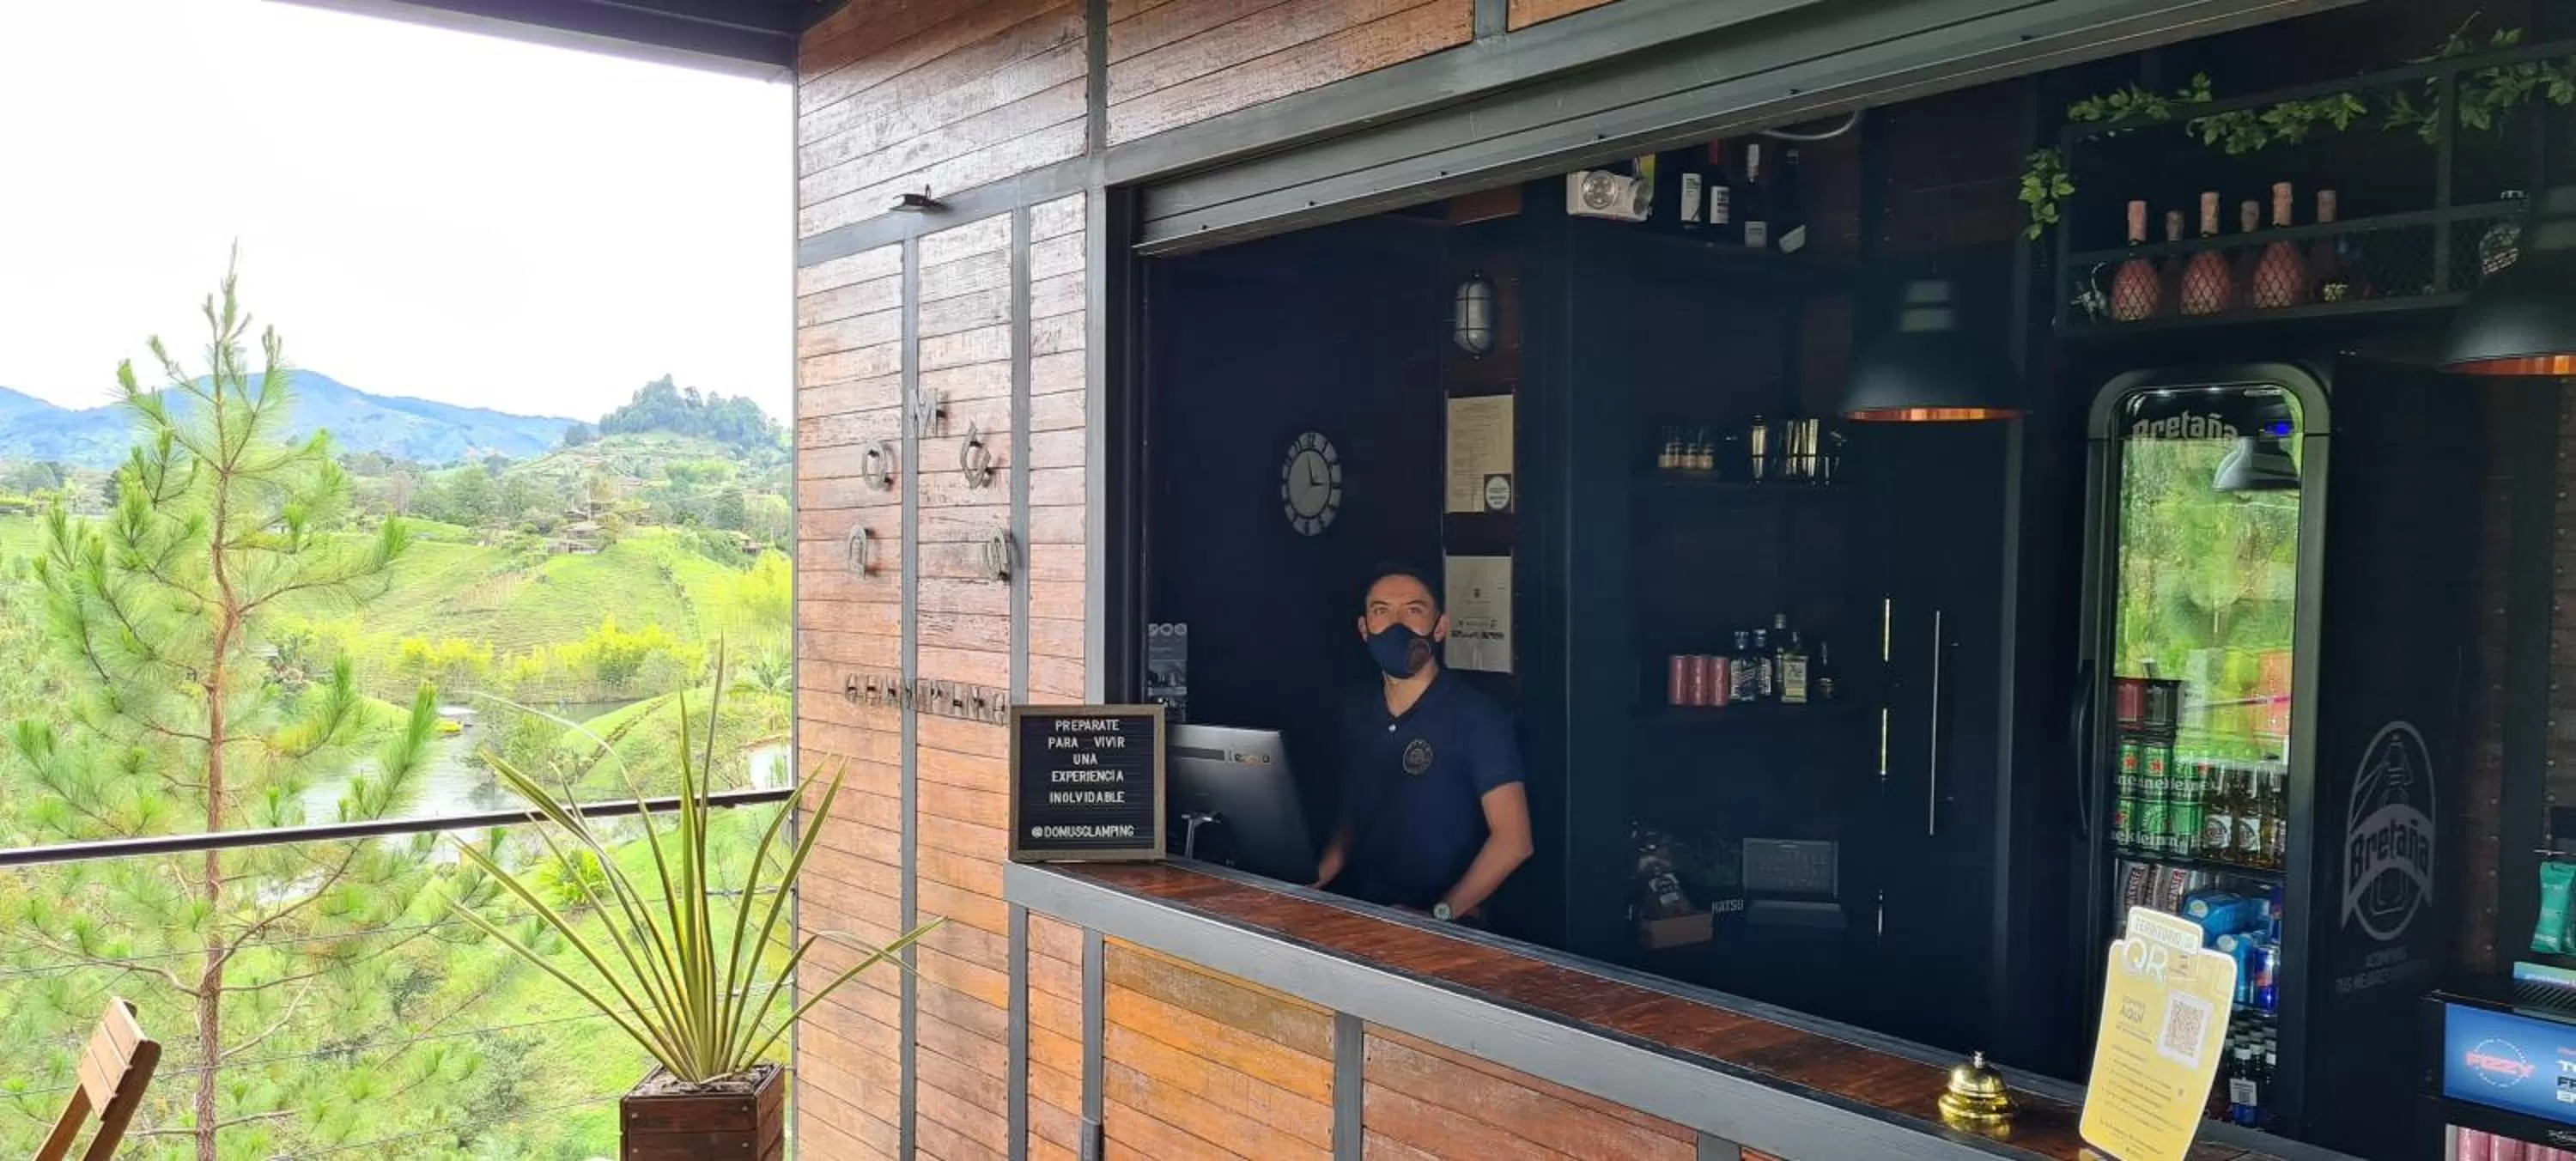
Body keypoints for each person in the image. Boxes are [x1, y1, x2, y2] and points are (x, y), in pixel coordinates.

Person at [1312, 563, 1533, 922]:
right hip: (1364, 915)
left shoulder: (1478, 718)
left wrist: (1437, 915)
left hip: (1448, 928)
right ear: (1364, 629)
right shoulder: (1355, 711)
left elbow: (1514, 841)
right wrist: (1312, 881)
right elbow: (1354, 812)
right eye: (1381, 611)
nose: (1396, 624)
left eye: (1413, 610)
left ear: (1440, 626)